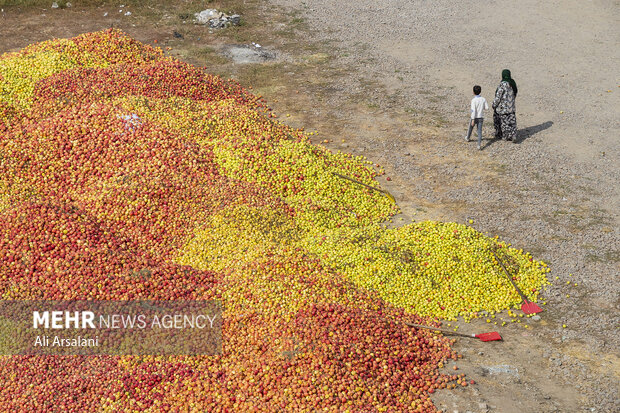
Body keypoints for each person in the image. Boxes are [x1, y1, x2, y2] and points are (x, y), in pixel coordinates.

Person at [492, 69, 518, 142]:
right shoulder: (512, 83)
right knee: (512, 122)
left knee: (504, 122)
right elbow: (515, 93)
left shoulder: (502, 84)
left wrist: (494, 104)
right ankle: (513, 135)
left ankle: (505, 136)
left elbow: (498, 96)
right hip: (511, 108)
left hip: (503, 108)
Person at [465, 85, 488, 150]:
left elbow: (473, 110)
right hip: (481, 117)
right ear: (480, 91)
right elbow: (486, 107)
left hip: (474, 117)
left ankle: (468, 137)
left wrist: (472, 119)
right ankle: (479, 145)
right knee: (479, 131)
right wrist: (481, 107)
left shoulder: (473, 100)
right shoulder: (483, 99)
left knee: (470, 128)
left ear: (473, 92)